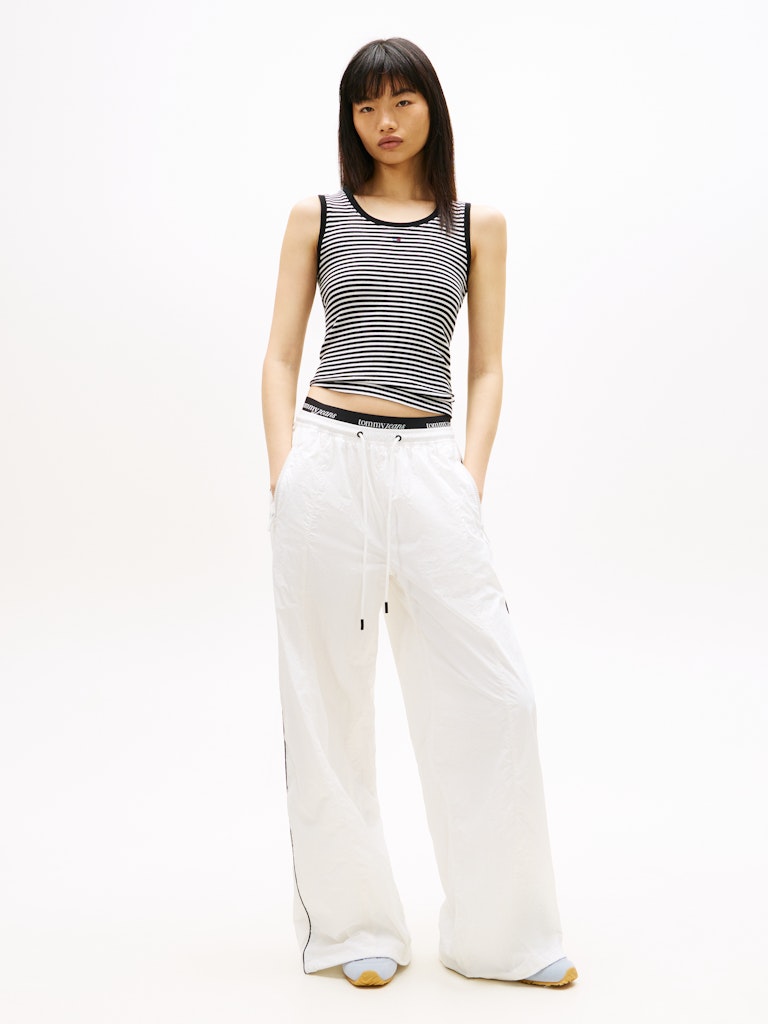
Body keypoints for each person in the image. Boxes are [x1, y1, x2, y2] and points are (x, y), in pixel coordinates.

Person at [261, 37, 577, 989]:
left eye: (401, 101)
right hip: (328, 462)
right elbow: (280, 357)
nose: (385, 121)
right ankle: (354, 928)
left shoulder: (476, 226)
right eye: (366, 107)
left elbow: (486, 367)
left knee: (496, 696)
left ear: (431, 107)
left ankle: (505, 936)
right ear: (349, 120)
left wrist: (467, 478)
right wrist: (285, 474)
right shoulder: (316, 217)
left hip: (430, 464)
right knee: (327, 699)